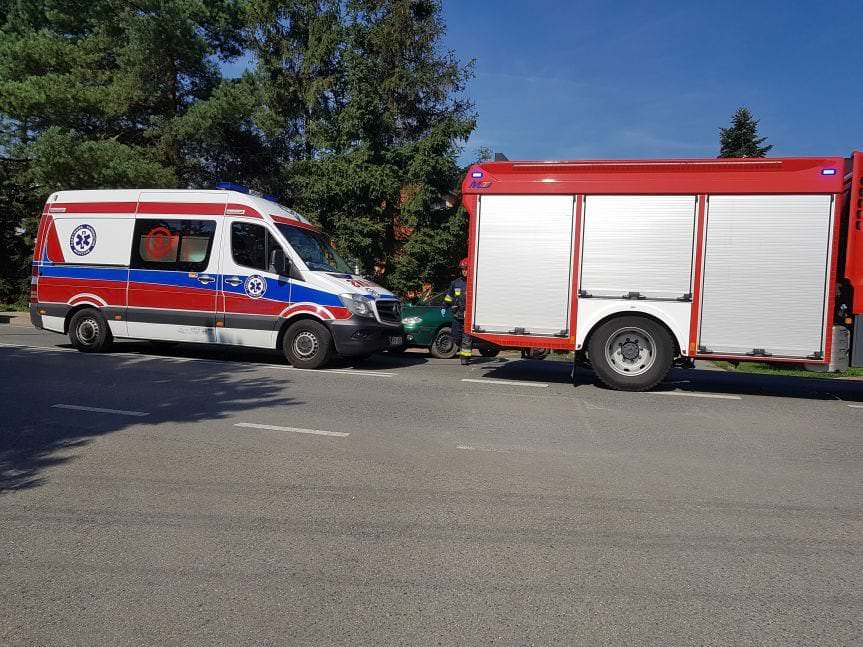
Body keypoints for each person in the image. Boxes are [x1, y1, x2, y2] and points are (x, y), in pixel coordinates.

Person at [444, 258, 472, 365]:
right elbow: (449, 296)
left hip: (468, 315)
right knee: (455, 336)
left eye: (466, 269)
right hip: (457, 314)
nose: (464, 271)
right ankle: (463, 348)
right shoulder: (456, 283)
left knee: (466, 337)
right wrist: (444, 306)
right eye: (463, 269)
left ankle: (465, 357)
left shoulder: (473, 283)